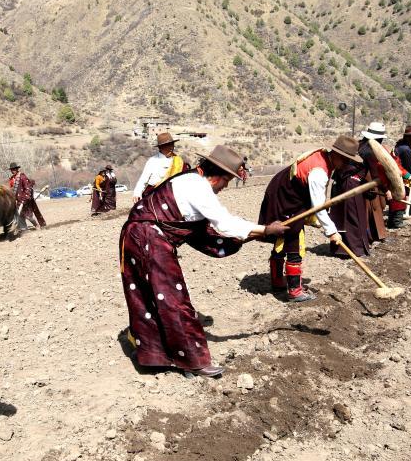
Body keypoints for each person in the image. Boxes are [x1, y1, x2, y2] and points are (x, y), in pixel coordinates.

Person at [120, 145, 288, 377]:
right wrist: (265, 229)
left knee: (153, 295)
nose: (224, 187)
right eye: (226, 181)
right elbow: (224, 223)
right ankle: (192, 360)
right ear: (217, 176)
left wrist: (254, 234)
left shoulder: (191, 179)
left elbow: (207, 229)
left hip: (139, 235)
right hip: (147, 236)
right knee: (171, 297)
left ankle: (156, 354)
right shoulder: (198, 186)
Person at [257, 136, 357, 301]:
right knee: (294, 239)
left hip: (286, 195)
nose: (346, 164)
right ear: (337, 155)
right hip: (284, 198)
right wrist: (332, 232)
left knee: (284, 237)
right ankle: (294, 291)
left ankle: (278, 282)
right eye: (345, 160)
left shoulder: (324, 158)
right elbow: (319, 207)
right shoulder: (319, 172)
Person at [357, 121, 389, 244]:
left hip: (358, 182)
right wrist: (386, 190)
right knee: (372, 208)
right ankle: (371, 237)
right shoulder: (370, 151)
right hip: (368, 182)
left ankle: (371, 236)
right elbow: (375, 173)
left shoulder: (360, 144)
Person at [132, 132, 187, 202]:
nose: (171, 148)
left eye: (172, 144)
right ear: (161, 147)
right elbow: (143, 179)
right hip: (155, 195)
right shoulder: (153, 161)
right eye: (168, 145)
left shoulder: (178, 161)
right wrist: (137, 192)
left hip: (174, 196)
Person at [388, 125, 411, 228]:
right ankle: (397, 221)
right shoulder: (405, 149)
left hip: (398, 173)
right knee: (402, 195)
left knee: (397, 196)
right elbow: (408, 166)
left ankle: (394, 220)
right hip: (400, 174)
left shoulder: (401, 145)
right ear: (408, 136)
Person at [8, 162, 46, 229]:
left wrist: (25, 197)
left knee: (28, 215)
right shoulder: (11, 179)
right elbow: (12, 189)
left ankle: (36, 225)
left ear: (17, 169)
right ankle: (24, 228)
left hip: (25, 199)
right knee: (20, 215)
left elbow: (27, 188)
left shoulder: (22, 176)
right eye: (12, 169)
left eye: (14, 169)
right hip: (17, 200)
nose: (12, 171)